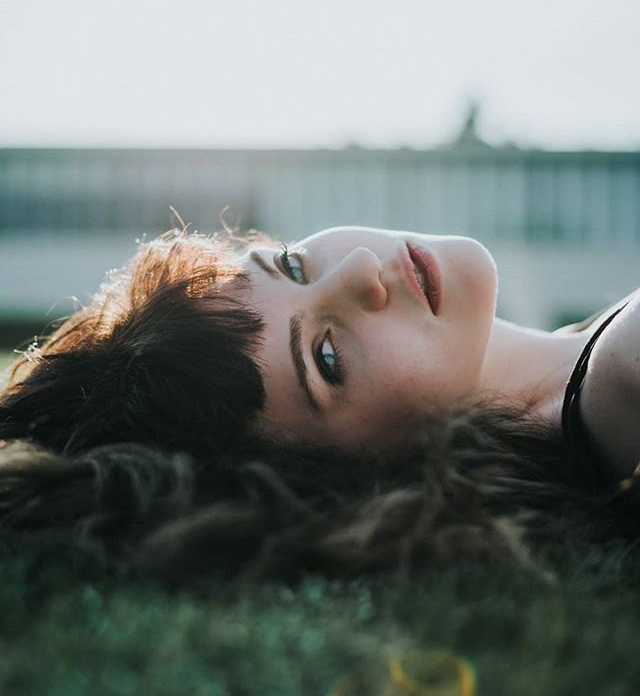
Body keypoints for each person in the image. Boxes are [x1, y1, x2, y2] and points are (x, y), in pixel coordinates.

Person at [0, 224, 638, 585]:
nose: (360, 267)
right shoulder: (625, 372)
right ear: (362, 476)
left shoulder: (594, 357)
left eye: (292, 265)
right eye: (326, 358)